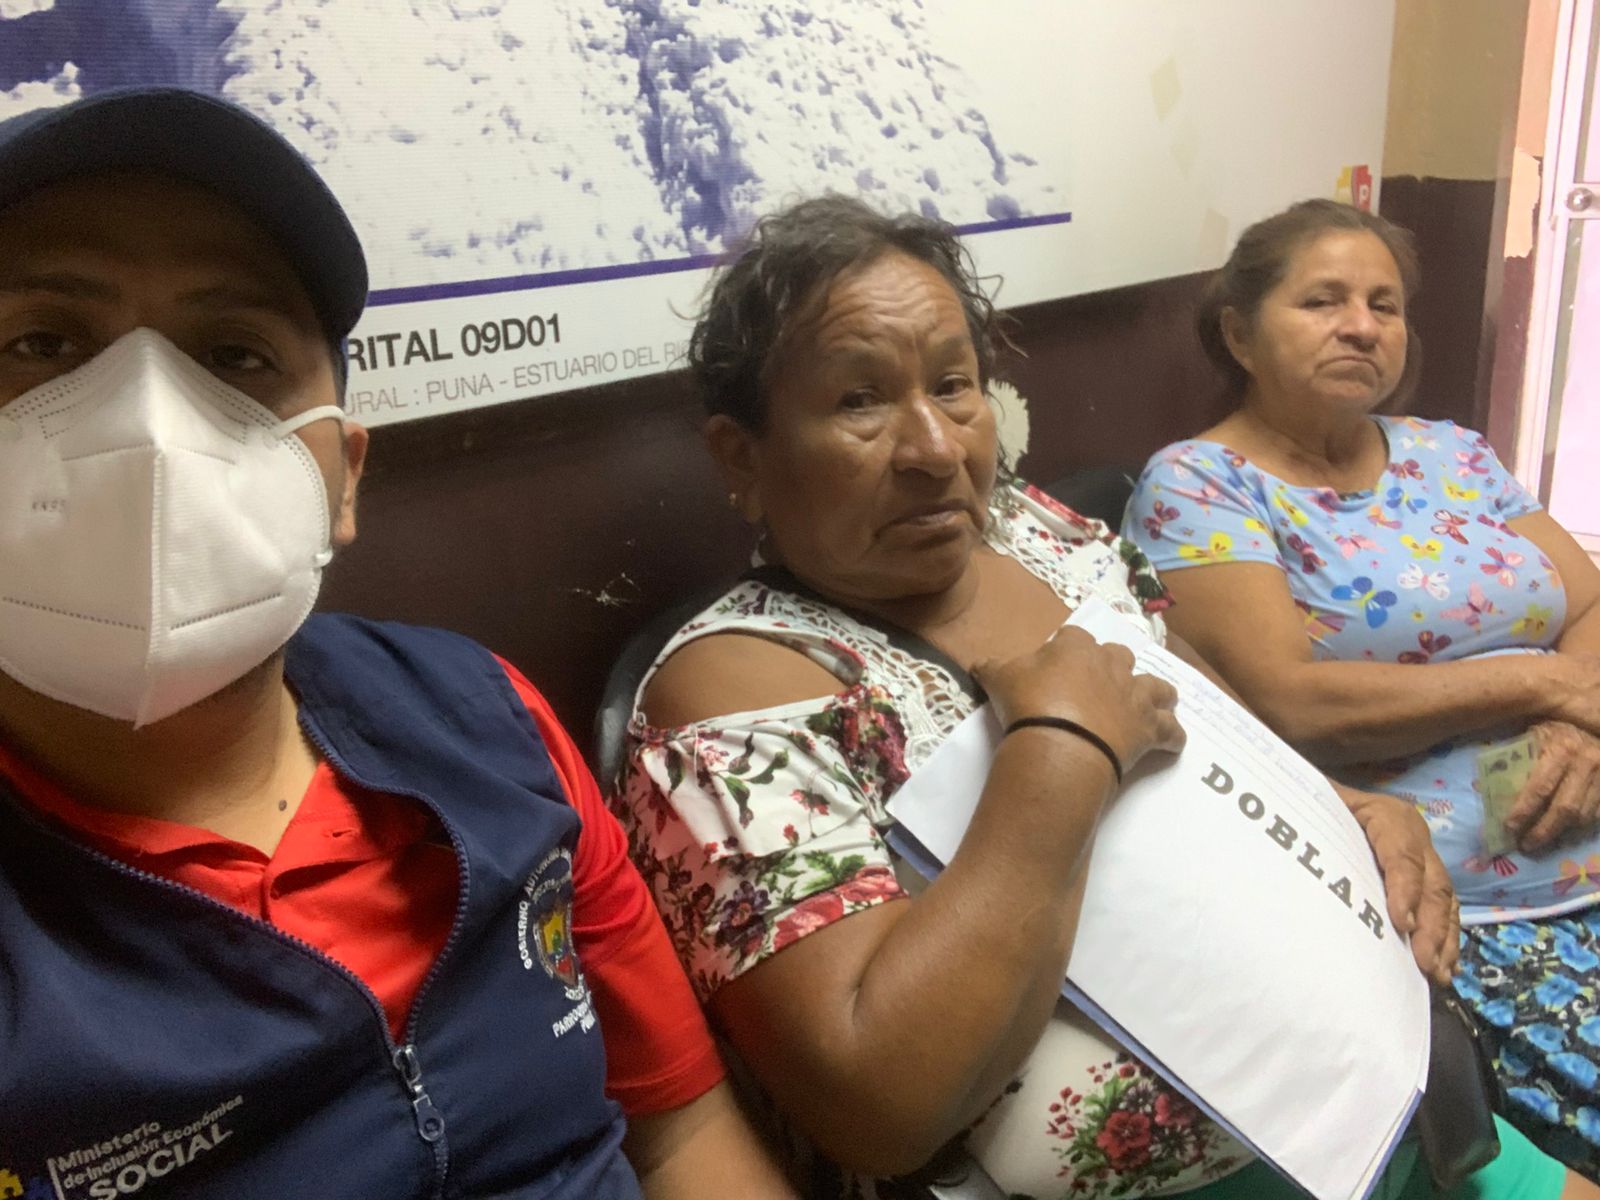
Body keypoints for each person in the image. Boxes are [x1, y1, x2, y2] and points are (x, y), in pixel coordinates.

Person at [610, 194, 1595, 1199]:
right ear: (742, 456)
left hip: (1365, 1094)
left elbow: (1220, 733)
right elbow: (884, 1108)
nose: (936, 449)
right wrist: (1060, 751)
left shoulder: (1035, 531)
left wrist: (1349, 816)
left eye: (953, 386)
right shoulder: (730, 697)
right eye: (859, 402)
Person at [0, 88, 792, 1200]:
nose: (148, 424)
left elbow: (679, 1132)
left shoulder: (481, 719)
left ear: (342, 480)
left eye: (233, 354)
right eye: (43, 342)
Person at [1122, 198, 1600, 1174]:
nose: (1361, 326)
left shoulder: (1451, 451)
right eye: (1323, 301)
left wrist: (1581, 726)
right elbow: (1292, 702)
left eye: (1384, 305)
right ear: (1238, 334)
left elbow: (1588, 602)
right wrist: (1540, 681)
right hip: (1465, 912)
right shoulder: (1201, 485)